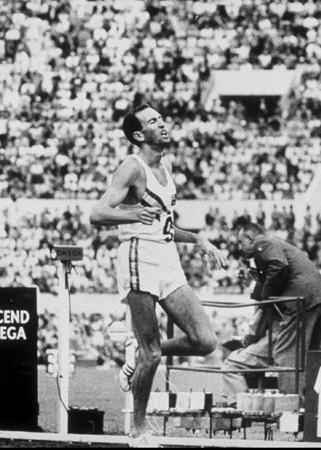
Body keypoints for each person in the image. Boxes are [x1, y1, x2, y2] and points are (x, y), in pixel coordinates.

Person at [89, 103, 226, 446]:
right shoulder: (131, 168)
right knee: (151, 354)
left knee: (205, 340)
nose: (163, 124)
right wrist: (133, 213)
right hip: (138, 258)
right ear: (138, 135)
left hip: (167, 257)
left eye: (161, 118)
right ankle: (138, 430)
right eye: (153, 121)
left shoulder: (164, 167)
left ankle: (139, 355)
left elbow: (162, 224)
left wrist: (197, 238)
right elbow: (98, 213)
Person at [220, 221, 321, 403]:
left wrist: (265, 295)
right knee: (303, 356)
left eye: (241, 242)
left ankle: (289, 408)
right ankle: (304, 406)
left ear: (250, 238)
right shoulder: (279, 250)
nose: (241, 248)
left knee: (286, 355)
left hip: (302, 300)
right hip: (318, 298)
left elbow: (278, 266)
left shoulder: (263, 243)